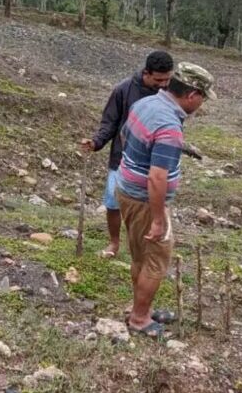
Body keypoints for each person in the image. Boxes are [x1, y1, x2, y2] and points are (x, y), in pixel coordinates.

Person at [117, 62, 216, 338]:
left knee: (140, 255)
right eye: (203, 98)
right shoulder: (169, 125)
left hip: (126, 190)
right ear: (192, 95)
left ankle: (139, 308)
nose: (202, 104)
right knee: (156, 260)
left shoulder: (146, 104)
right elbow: (157, 178)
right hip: (145, 201)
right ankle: (139, 319)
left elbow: (126, 135)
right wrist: (159, 219)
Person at [80, 50, 173, 258]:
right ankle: (114, 242)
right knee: (113, 204)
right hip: (122, 159)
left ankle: (144, 245)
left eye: (167, 79)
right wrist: (96, 142)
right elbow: (110, 122)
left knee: (151, 205)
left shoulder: (169, 94)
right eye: (159, 79)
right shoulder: (124, 90)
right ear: (146, 73)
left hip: (154, 160)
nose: (163, 84)